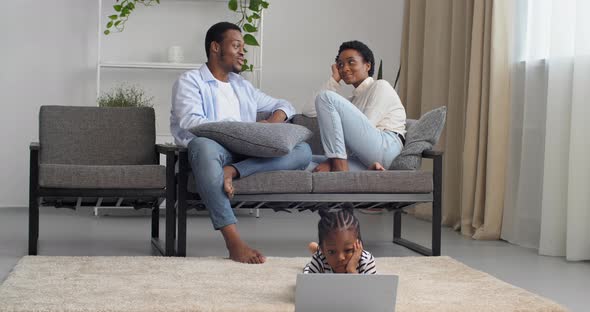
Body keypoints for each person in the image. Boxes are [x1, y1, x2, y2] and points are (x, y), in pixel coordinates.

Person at [170, 22, 312, 264]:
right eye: (236, 45)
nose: (242, 52)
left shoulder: (242, 85)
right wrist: (240, 131)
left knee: (303, 150)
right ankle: (233, 241)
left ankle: (234, 171)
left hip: (245, 153)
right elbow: (190, 121)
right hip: (213, 149)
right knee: (201, 146)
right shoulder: (190, 81)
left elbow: (285, 105)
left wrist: (270, 123)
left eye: (243, 47)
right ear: (216, 47)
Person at [303, 40, 407, 173]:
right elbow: (308, 111)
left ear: (367, 65)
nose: (344, 68)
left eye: (351, 62)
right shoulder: (352, 100)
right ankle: (354, 171)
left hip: (385, 148)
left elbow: (367, 126)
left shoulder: (381, 86)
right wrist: (335, 79)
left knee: (325, 97)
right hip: (365, 157)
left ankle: (339, 166)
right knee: (306, 162)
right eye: (340, 65)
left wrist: (331, 160)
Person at [303, 207, 376, 274]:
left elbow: (368, 287)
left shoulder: (366, 260)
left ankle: (316, 248)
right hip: (321, 255)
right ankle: (316, 249)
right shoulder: (319, 260)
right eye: (331, 252)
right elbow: (307, 284)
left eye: (348, 250)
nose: (340, 258)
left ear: (359, 245)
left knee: (316, 248)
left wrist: (351, 270)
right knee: (308, 268)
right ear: (323, 251)